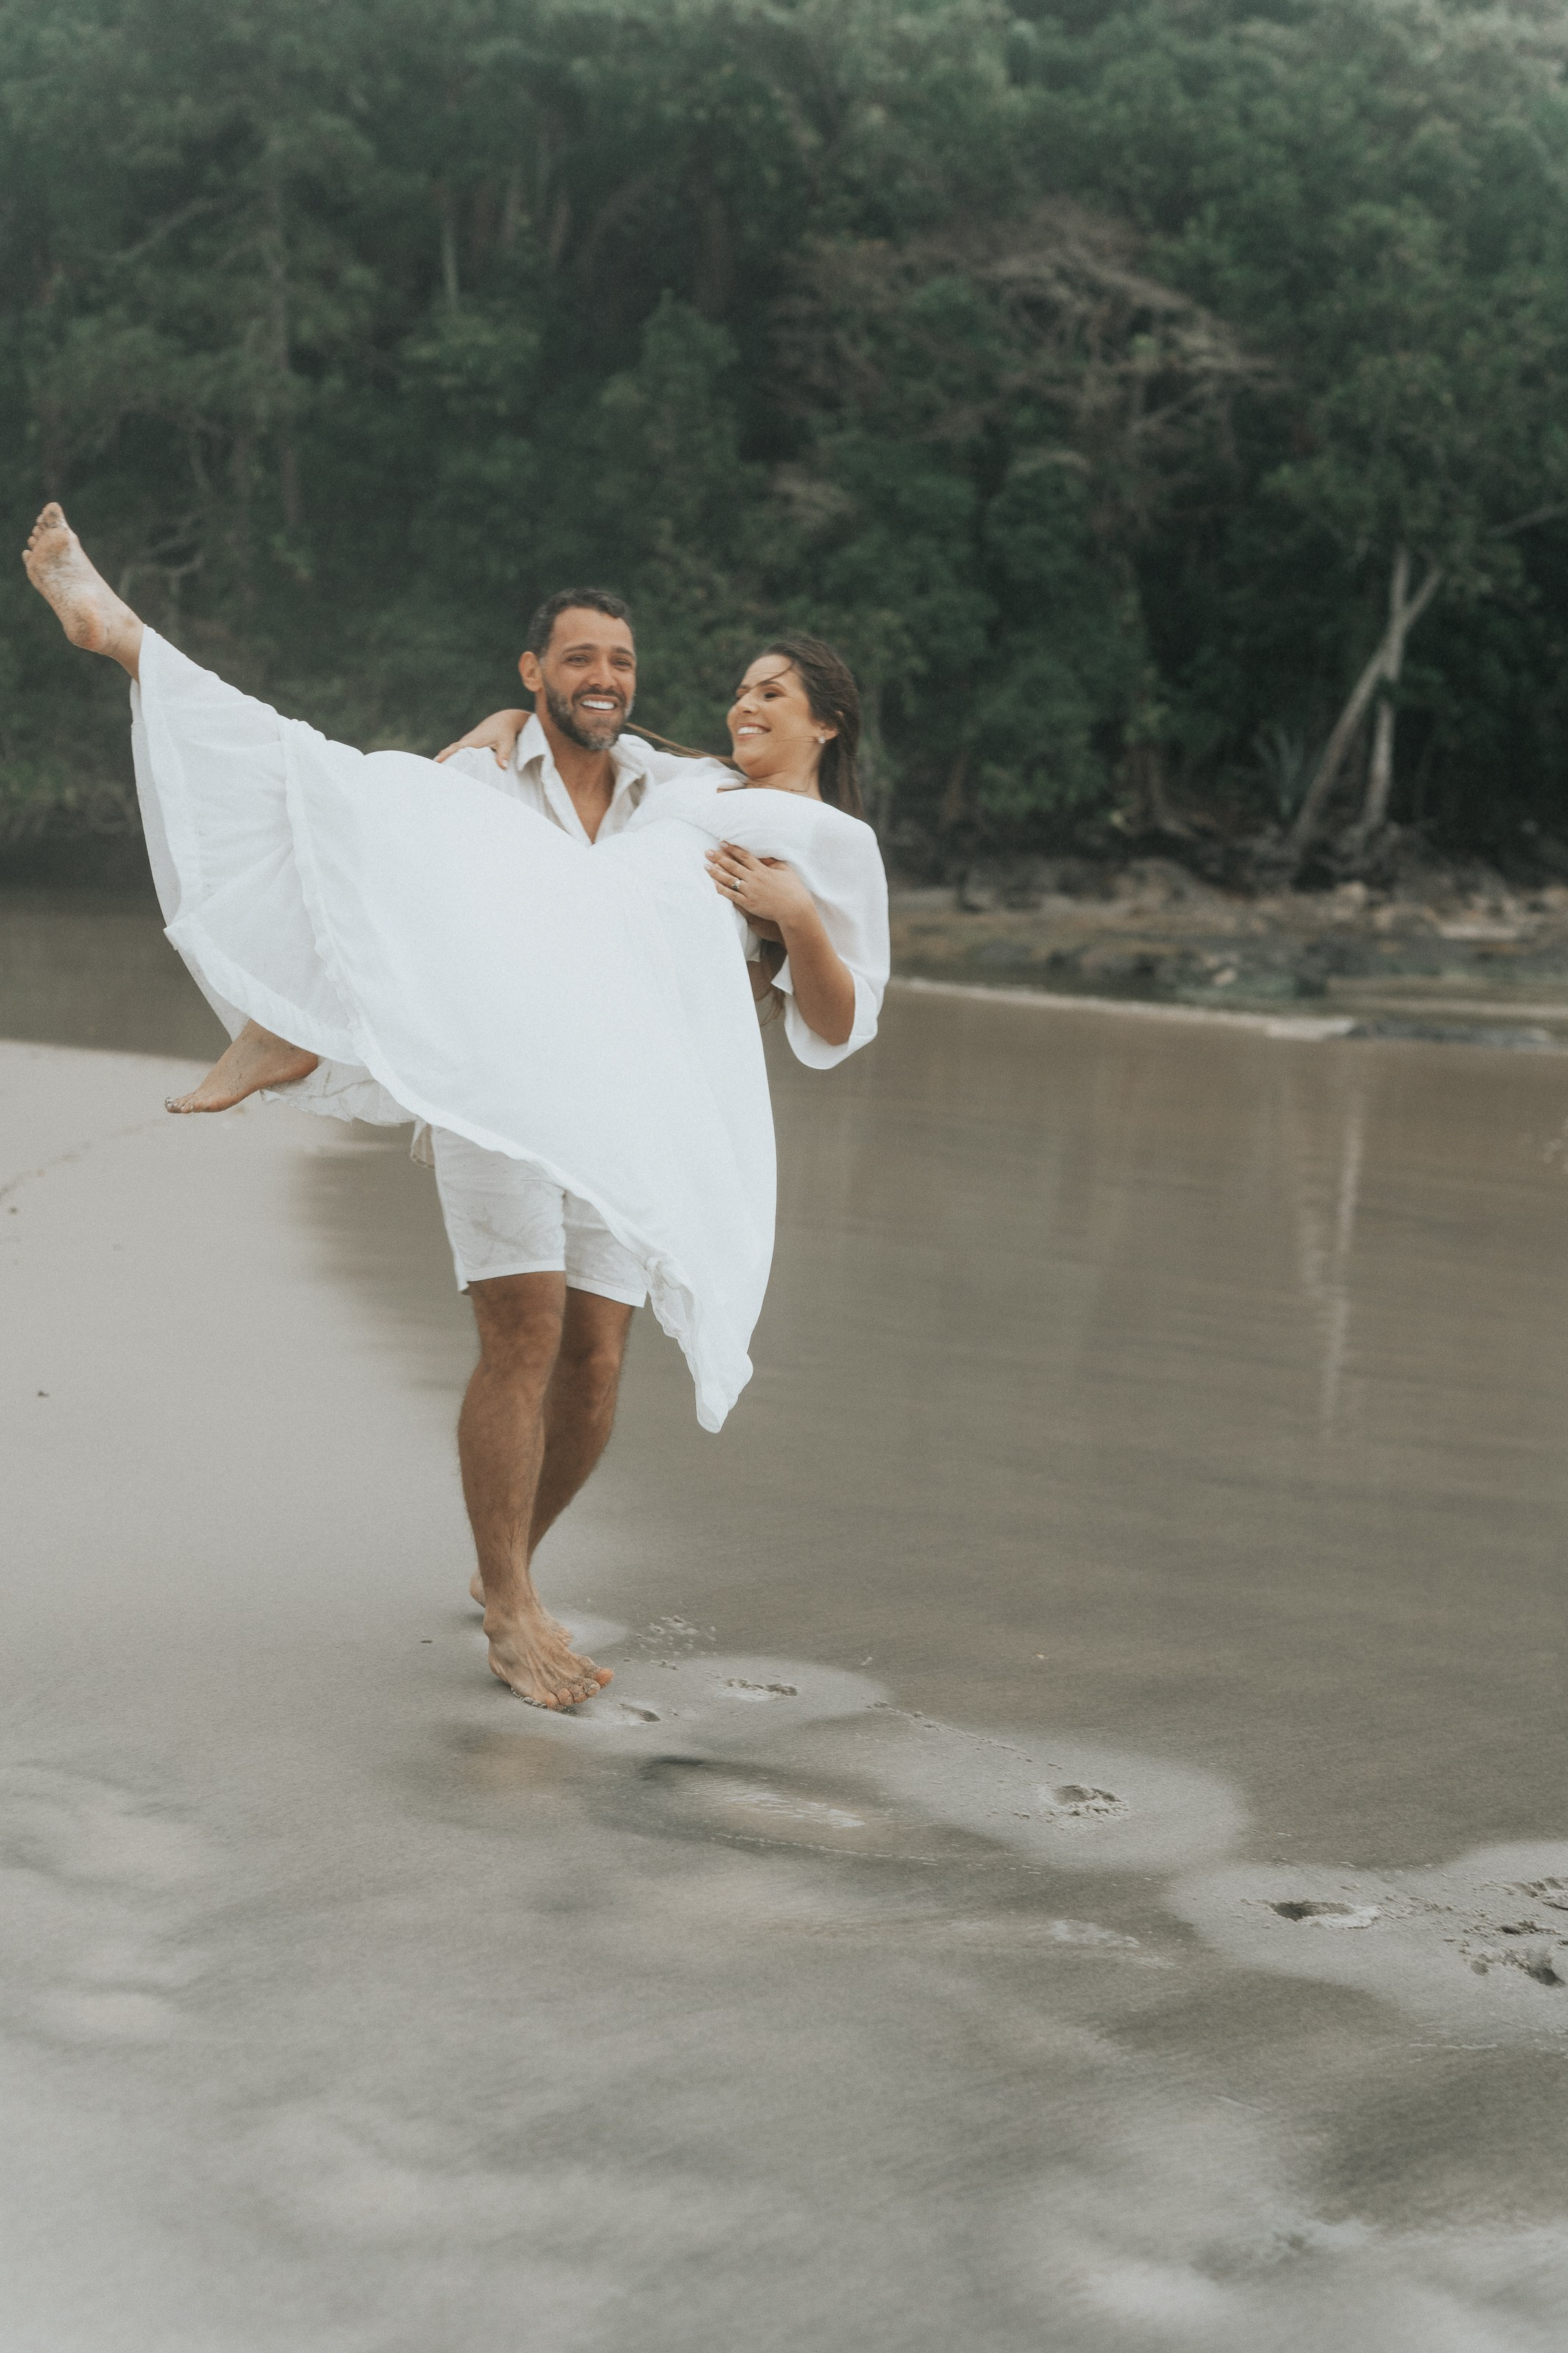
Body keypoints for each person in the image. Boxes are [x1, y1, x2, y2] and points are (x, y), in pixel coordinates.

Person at [22, 501, 889, 1713]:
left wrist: (795, 914)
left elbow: (840, 1019)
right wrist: (491, 734)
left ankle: (507, 1577)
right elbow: (397, 850)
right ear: (535, 673)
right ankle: (128, 648)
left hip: (628, 1108)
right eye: (581, 659)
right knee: (525, 1331)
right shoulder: (516, 766)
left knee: (596, 1357)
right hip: (501, 1083)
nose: (738, 711)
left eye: (769, 699)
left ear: (822, 723)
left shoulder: (696, 792)